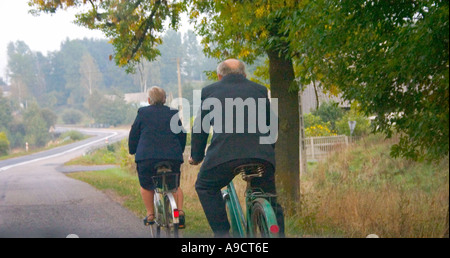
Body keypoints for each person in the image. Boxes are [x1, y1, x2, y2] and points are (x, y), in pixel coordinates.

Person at [189, 59, 284, 237]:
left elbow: (200, 129)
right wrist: (267, 151)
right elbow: (272, 124)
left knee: (205, 186)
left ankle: (223, 233)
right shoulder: (260, 90)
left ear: (219, 76)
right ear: (245, 75)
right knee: (269, 198)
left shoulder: (210, 92)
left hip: (224, 156)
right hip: (261, 155)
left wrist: (197, 156)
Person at [129, 86, 186, 229]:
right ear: (165, 99)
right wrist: (180, 150)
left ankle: (150, 215)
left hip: (147, 157)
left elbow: (134, 134)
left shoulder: (142, 113)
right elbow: (182, 134)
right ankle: (179, 213)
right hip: (172, 156)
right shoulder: (173, 113)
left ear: (148, 100)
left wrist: (132, 150)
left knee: (146, 185)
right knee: (174, 185)